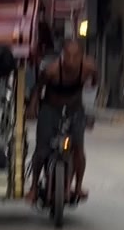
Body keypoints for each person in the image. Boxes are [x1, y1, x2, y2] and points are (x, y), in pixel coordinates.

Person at [30, 26, 98, 205]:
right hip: (51, 109)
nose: (72, 61)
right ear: (62, 55)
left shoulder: (88, 68)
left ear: (83, 57)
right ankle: (34, 187)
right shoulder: (52, 70)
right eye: (68, 56)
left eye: (77, 57)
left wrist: (90, 112)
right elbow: (38, 88)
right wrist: (33, 106)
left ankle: (78, 186)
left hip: (75, 110)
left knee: (78, 149)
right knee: (41, 149)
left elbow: (94, 85)